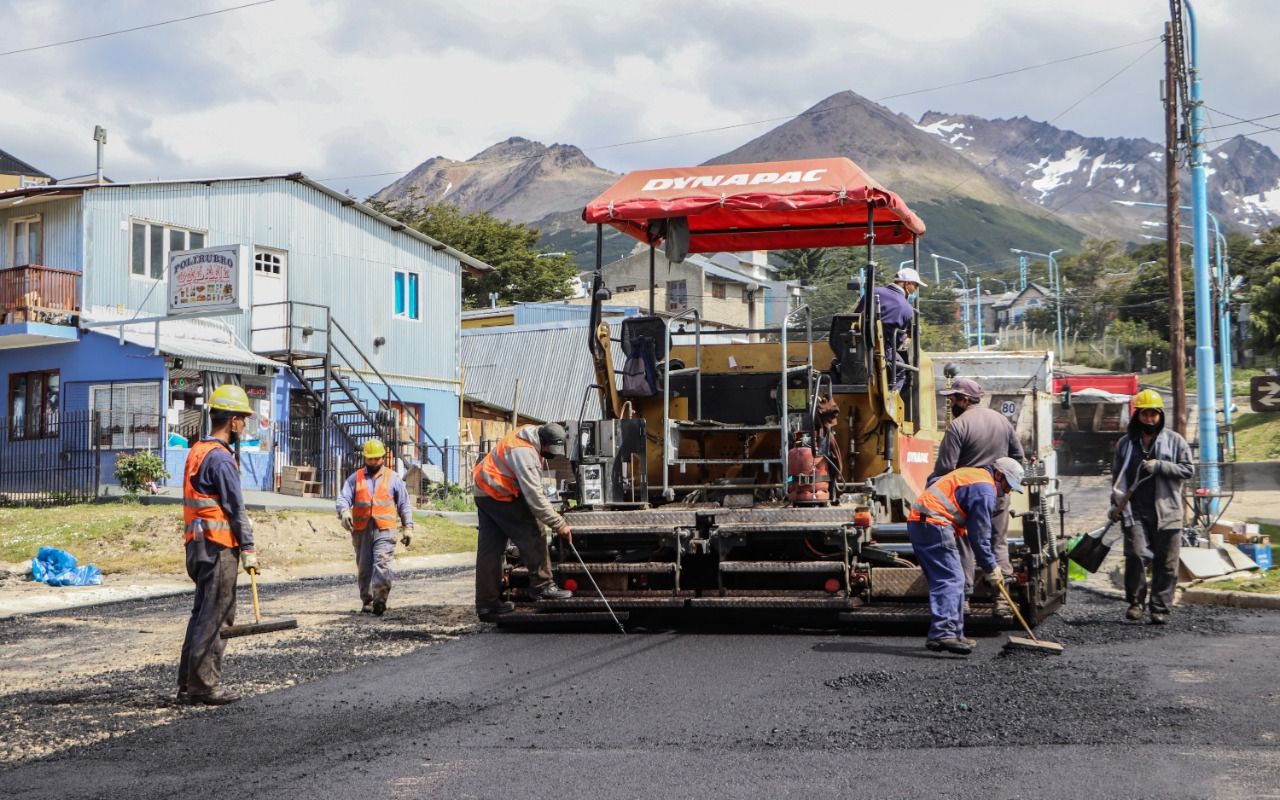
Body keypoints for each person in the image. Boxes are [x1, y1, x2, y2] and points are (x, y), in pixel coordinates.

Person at [177, 384, 257, 706]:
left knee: (200, 615)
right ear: (234, 421)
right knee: (217, 616)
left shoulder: (197, 451)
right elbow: (236, 509)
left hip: (196, 545)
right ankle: (204, 685)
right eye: (243, 420)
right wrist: (248, 548)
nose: (244, 426)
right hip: (218, 546)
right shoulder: (222, 460)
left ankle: (187, 683)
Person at [907, 456, 1025, 655]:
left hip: (926, 523)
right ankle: (944, 634)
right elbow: (980, 536)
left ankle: (953, 633)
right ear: (998, 474)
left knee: (953, 579)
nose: (1007, 491)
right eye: (1007, 486)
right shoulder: (985, 489)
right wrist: (991, 568)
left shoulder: (974, 476)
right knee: (951, 579)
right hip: (934, 524)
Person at [929, 376, 1024, 614]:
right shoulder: (1002, 421)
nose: (950, 405)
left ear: (963, 400)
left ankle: (964, 599)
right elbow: (1018, 458)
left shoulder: (959, 426)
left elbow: (945, 470)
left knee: (964, 545)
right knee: (997, 543)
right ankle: (1001, 599)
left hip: (965, 497)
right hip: (997, 493)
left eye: (952, 400)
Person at [472, 422, 574, 621]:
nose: (550, 454)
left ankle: (487, 604)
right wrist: (559, 523)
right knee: (534, 530)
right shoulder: (524, 453)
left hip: (484, 491)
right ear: (542, 442)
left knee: (490, 550)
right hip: (498, 493)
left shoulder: (528, 432)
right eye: (549, 450)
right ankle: (543, 586)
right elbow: (535, 498)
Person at [1109, 389, 1193, 625]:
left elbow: (1188, 469)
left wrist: (1161, 466)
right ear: (1137, 416)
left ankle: (1160, 608)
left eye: (1153, 415)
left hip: (1167, 511)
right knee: (1135, 554)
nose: (1149, 419)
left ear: (1160, 416)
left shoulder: (1175, 441)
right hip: (1134, 511)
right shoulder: (1125, 444)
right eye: (1145, 415)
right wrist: (1114, 505)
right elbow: (1117, 478)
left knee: (1166, 563)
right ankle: (1136, 603)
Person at [336, 438, 414, 616]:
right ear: (365, 458)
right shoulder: (356, 478)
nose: (373, 462)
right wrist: (344, 512)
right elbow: (343, 498)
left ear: (383, 458)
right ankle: (368, 601)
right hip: (362, 530)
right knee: (364, 567)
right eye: (370, 459)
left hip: (385, 529)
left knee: (382, 563)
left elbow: (404, 504)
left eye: (376, 459)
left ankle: (380, 598)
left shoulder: (393, 478)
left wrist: (408, 527)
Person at [874, 267, 925, 391]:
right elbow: (897, 341)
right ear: (907, 284)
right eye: (916, 286)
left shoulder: (874, 292)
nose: (915, 290)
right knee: (900, 370)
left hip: (857, 346)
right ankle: (891, 404)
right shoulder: (906, 308)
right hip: (882, 349)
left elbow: (857, 315)